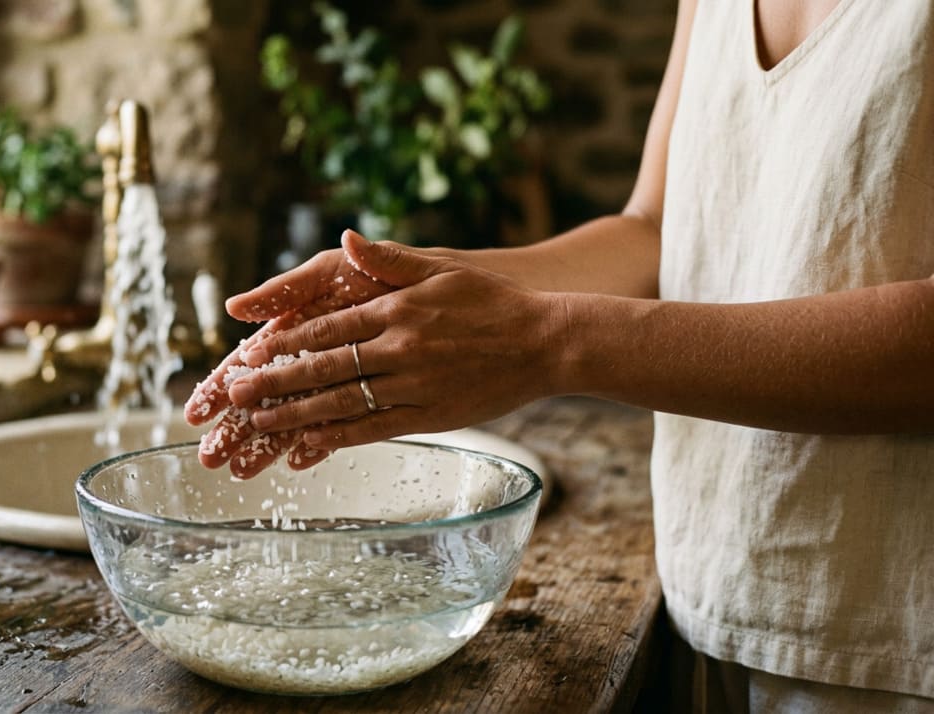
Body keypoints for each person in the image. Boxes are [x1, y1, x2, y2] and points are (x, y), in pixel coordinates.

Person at [186, 1, 933, 711]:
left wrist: (552, 341)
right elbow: (656, 228)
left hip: (895, 638)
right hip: (717, 588)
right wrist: (426, 286)